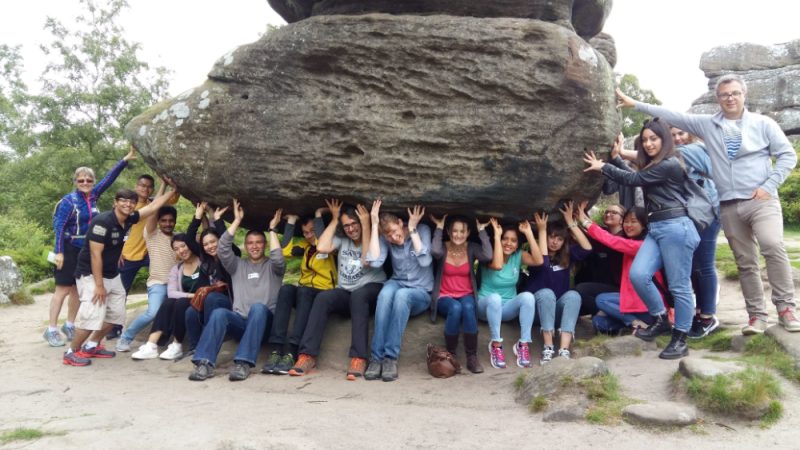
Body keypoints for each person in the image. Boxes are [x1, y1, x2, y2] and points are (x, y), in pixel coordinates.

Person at [616, 75, 800, 335]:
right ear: (718, 98)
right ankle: (756, 316)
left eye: (735, 93)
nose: (730, 98)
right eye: (725, 94)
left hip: (761, 201)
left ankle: (785, 309)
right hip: (728, 205)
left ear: (744, 95)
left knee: (772, 246)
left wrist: (769, 186)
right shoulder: (708, 126)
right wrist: (635, 104)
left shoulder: (763, 123)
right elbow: (671, 117)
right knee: (745, 261)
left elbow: (787, 156)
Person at [584, 117, 700, 359]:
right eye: (644, 140)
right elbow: (638, 174)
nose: (648, 144)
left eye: (653, 139)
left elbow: (634, 179)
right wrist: (617, 157)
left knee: (680, 287)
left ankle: (681, 338)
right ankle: (660, 319)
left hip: (676, 227)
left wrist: (602, 165)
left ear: (664, 140)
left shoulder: (670, 163)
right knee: (638, 274)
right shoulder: (656, 165)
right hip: (657, 228)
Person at [61, 183, 178, 366]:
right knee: (92, 315)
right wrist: (99, 286)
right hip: (91, 275)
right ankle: (71, 351)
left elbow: (154, 206)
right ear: (115, 202)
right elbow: (95, 255)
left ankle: (92, 345)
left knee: (116, 316)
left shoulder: (129, 219)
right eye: (123, 201)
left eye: (131, 202)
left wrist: (174, 190)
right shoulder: (102, 222)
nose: (128, 204)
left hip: (112, 274)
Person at [46, 147, 135, 347]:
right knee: (62, 289)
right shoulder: (68, 201)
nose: (85, 183)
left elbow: (108, 179)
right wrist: (58, 251)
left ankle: (70, 324)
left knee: (77, 291)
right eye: (81, 180)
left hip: (85, 249)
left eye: (89, 180)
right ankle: (51, 328)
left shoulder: (93, 196)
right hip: (68, 248)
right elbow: (58, 227)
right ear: (75, 182)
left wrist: (124, 160)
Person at [288, 199, 386, 380]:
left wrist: (365, 224)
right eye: (346, 225)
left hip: (370, 289)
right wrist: (334, 220)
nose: (350, 229)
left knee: (359, 295)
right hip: (346, 292)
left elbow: (367, 260)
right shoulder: (342, 240)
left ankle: (358, 358)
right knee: (323, 298)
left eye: (354, 223)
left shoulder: (374, 239)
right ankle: (307, 355)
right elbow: (322, 247)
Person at [189, 200, 286, 382]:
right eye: (250, 243)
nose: (254, 246)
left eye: (258, 242)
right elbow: (223, 247)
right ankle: (205, 363)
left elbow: (278, 258)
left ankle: (243, 363)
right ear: (246, 246)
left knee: (258, 308)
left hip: (264, 324)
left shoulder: (274, 268)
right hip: (241, 322)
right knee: (219, 313)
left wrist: (272, 230)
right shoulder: (237, 266)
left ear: (264, 245)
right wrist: (237, 221)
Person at [363, 201, 433, 382]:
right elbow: (375, 261)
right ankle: (376, 358)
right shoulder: (387, 239)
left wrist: (412, 228)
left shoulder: (422, 229)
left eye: (396, 232)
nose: (394, 237)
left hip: (421, 291)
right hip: (397, 282)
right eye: (389, 236)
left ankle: (390, 358)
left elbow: (425, 261)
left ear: (401, 223)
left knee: (402, 296)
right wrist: (375, 224)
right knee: (385, 294)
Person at [261, 211, 337, 375]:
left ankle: (292, 351)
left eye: (312, 231)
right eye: (305, 232)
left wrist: (317, 215)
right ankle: (276, 349)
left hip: (323, 291)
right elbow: (286, 251)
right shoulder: (304, 246)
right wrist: (291, 222)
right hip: (305, 290)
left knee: (303, 292)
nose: (309, 235)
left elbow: (320, 242)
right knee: (287, 289)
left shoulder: (329, 244)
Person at [108, 174, 179, 340]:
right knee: (120, 292)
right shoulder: (130, 205)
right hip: (129, 254)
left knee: (168, 272)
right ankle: (115, 326)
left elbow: (168, 200)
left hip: (148, 252)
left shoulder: (153, 203)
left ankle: (162, 321)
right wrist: (117, 250)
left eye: (149, 186)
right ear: (136, 186)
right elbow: (115, 229)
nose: (145, 189)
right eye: (142, 185)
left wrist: (165, 184)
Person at [576, 204, 664, 334]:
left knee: (602, 299)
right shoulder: (633, 241)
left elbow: (612, 241)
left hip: (646, 306)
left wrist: (584, 221)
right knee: (598, 322)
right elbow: (607, 236)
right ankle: (635, 326)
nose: (628, 225)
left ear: (644, 225)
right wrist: (583, 218)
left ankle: (636, 323)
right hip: (633, 302)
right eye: (626, 222)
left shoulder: (642, 246)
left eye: (633, 222)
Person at [671, 126, 722, 338]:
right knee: (694, 267)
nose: (677, 138)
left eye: (680, 133)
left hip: (707, 214)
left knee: (705, 265)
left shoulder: (694, 150)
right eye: (673, 135)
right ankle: (700, 313)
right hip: (694, 216)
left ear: (689, 133)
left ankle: (708, 316)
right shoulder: (681, 154)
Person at [527, 203, 592, 363]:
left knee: (574, 295)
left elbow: (587, 248)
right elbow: (542, 261)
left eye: (560, 238)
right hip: (537, 313)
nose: (555, 242)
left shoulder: (566, 257)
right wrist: (542, 230)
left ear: (564, 241)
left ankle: (564, 349)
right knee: (546, 293)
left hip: (557, 313)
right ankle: (548, 348)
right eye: (552, 236)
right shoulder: (535, 256)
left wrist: (571, 222)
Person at [429, 214, 493, 374]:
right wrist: (439, 228)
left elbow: (487, 255)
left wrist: (482, 231)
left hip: (466, 294)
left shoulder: (471, 247)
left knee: (468, 306)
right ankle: (451, 354)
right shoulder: (443, 247)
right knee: (456, 308)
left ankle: (472, 357)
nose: (458, 235)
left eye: (462, 231)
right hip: (444, 296)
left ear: (468, 232)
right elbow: (435, 251)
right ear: (449, 232)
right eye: (455, 231)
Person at [131, 233, 209, 360]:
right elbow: (171, 292)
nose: (181, 250)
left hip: (205, 301)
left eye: (183, 246)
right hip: (190, 300)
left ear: (190, 244)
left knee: (180, 302)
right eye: (177, 249)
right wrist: (191, 295)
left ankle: (177, 345)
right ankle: (151, 345)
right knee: (169, 302)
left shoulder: (205, 262)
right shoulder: (177, 268)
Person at [476, 218, 541, 369]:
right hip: (485, 307)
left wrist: (529, 233)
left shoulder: (518, 255)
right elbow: (498, 265)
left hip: (506, 309)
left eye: (513, 240)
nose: (509, 243)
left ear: (518, 244)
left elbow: (538, 261)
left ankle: (523, 344)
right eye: (505, 238)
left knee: (528, 297)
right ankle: (496, 345)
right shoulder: (488, 254)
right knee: (495, 298)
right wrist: (497, 237)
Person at [115, 204, 178, 352]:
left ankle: (165, 340)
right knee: (153, 312)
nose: (167, 223)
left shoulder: (178, 240)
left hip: (175, 286)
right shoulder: (152, 235)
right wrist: (163, 190)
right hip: (158, 283)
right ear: (158, 221)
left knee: (176, 312)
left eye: (170, 220)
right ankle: (126, 337)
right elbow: (152, 212)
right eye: (163, 220)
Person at [183, 202, 239, 352]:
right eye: (206, 244)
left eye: (213, 241)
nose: (210, 246)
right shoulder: (206, 260)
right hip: (209, 300)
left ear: (220, 240)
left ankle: (208, 341)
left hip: (228, 301)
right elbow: (188, 239)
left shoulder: (230, 256)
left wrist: (218, 220)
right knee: (190, 312)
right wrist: (197, 216)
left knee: (212, 298)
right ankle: (194, 348)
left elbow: (229, 242)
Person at [573, 201, 625, 317]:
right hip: (604, 283)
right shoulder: (604, 233)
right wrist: (578, 217)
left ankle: (607, 314)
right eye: (607, 212)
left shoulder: (624, 237)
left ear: (622, 219)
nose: (608, 214)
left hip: (620, 288)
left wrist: (583, 219)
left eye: (614, 212)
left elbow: (604, 239)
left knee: (581, 290)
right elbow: (592, 234)